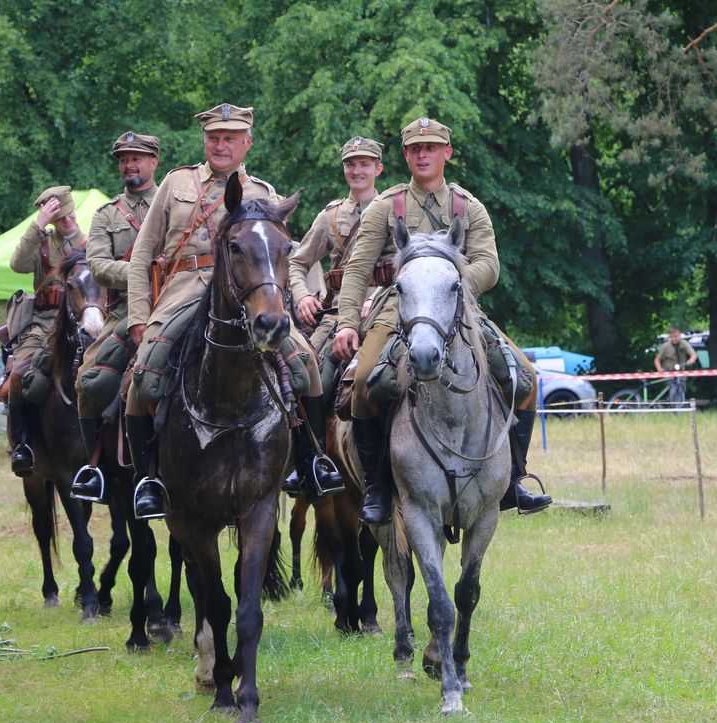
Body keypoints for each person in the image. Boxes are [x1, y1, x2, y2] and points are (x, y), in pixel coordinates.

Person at [124, 103, 343, 519]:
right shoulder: (176, 183)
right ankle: (148, 478)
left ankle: (309, 462)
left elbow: (288, 256)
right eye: (214, 137)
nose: (220, 145)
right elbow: (142, 257)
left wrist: (302, 300)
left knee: (306, 366)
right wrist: (138, 317)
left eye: (230, 138)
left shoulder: (264, 193)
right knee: (144, 375)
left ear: (247, 142)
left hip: (250, 298)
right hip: (185, 291)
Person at [333, 116, 552, 526]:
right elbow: (357, 270)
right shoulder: (387, 206)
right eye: (415, 149)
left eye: (431, 147)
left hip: (460, 310)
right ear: (405, 155)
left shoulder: (468, 208)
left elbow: (489, 264)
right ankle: (379, 486)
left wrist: (446, 282)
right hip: (396, 311)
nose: (422, 154)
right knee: (364, 382)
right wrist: (347, 322)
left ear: (446, 153)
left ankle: (514, 481)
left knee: (524, 377)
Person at [283, 135, 384, 495]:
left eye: (364, 164)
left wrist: (385, 296)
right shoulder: (330, 217)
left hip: (384, 309)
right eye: (350, 164)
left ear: (378, 169)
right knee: (308, 376)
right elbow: (297, 261)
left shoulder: (395, 209)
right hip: (336, 312)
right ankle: (311, 461)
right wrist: (302, 295)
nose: (357, 170)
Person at [70, 131, 161, 503]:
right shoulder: (106, 215)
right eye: (124, 159)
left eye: (136, 158)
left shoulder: (174, 205)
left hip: (176, 303)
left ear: (154, 162)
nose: (129, 164)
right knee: (87, 380)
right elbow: (97, 265)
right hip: (124, 311)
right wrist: (144, 273)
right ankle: (96, 469)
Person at [8, 185, 87, 475]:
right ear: (51, 219)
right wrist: (37, 224)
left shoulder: (91, 243)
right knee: (18, 373)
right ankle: (22, 446)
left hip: (82, 323)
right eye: (60, 217)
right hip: (43, 325)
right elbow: (16, 264)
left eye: (69, 214)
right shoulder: (42, 244)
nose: (67, 221)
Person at [654, 326, 698, 402]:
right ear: (670, 337)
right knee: (671, 387)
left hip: (681, 371)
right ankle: (670, 400)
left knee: (682, 388)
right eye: (672, 337)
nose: (674, 339)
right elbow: (657, 359)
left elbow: (693, 354)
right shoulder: (665, 346)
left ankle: (681, 402)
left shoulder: (684, 344)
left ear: (680, 335)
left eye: (676, 336)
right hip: (669, 371)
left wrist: (691, 360)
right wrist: (659, 369)